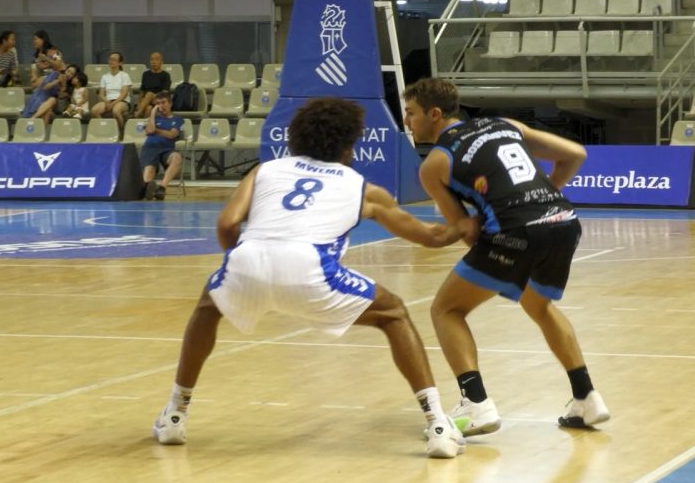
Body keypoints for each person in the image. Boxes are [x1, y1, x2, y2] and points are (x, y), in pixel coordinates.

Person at [151, 97, 466, 459]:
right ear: (348, 145)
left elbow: (226, 225)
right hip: (310, 269)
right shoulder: (363, 188)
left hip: (247, 259)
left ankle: (175, 413)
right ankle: (438, 424)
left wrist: (245, 271)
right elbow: (430, 237)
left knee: (208, 307)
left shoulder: (266, 170)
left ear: (297, 138)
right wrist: (465, 226)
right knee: (393, 312)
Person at [402, 77, 610, 435]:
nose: (407, 121)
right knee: (538, 305)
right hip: (564, 220)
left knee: (447, 309)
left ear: (434, 114)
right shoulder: (505, 125)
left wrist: (491, 245)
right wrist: (540, 202)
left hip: (517, 231)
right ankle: (587, 398)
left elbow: (466, 230)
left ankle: (476, 404)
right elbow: (576, 154)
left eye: (410, 113)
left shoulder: (433, 165)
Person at [140, 89, 182, 201]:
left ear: (170, 103)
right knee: (148, 174)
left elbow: (172, 135)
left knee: (177, 157)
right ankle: (148, 193)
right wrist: (153, 113)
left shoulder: (177, 119)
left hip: (166, 149)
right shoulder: (154, 118)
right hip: (150, 148)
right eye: (158, 104)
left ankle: (161, 188)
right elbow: (149, 130)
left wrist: (156, 130)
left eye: (163, 103)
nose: (161, 106)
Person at [90, 51, 132, 131]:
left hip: (122, 101)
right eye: (110, 59)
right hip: (108, 101)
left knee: (116, 111)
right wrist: (107, 102)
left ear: (120, 63)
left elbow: (124, 94)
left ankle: (121, 131)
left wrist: (113, 104)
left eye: (114, 59)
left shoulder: (125, 75)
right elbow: (101, 94)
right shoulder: (104, 76)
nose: (111, 61)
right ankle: (106, 130)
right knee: (94, 110)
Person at [134, 50, 170, 118]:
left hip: (160, 100)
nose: (154, 62)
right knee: (149, 108)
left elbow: (165, 93)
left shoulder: (165, 75)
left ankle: (137, 114)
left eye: (157, 59)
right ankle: (145, 126)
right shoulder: (146, 74)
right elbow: (142, 90)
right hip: (146, 102)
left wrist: (153, 96)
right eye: (152, 59)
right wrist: (139, 103)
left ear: (162, 62)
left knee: (149, 94)